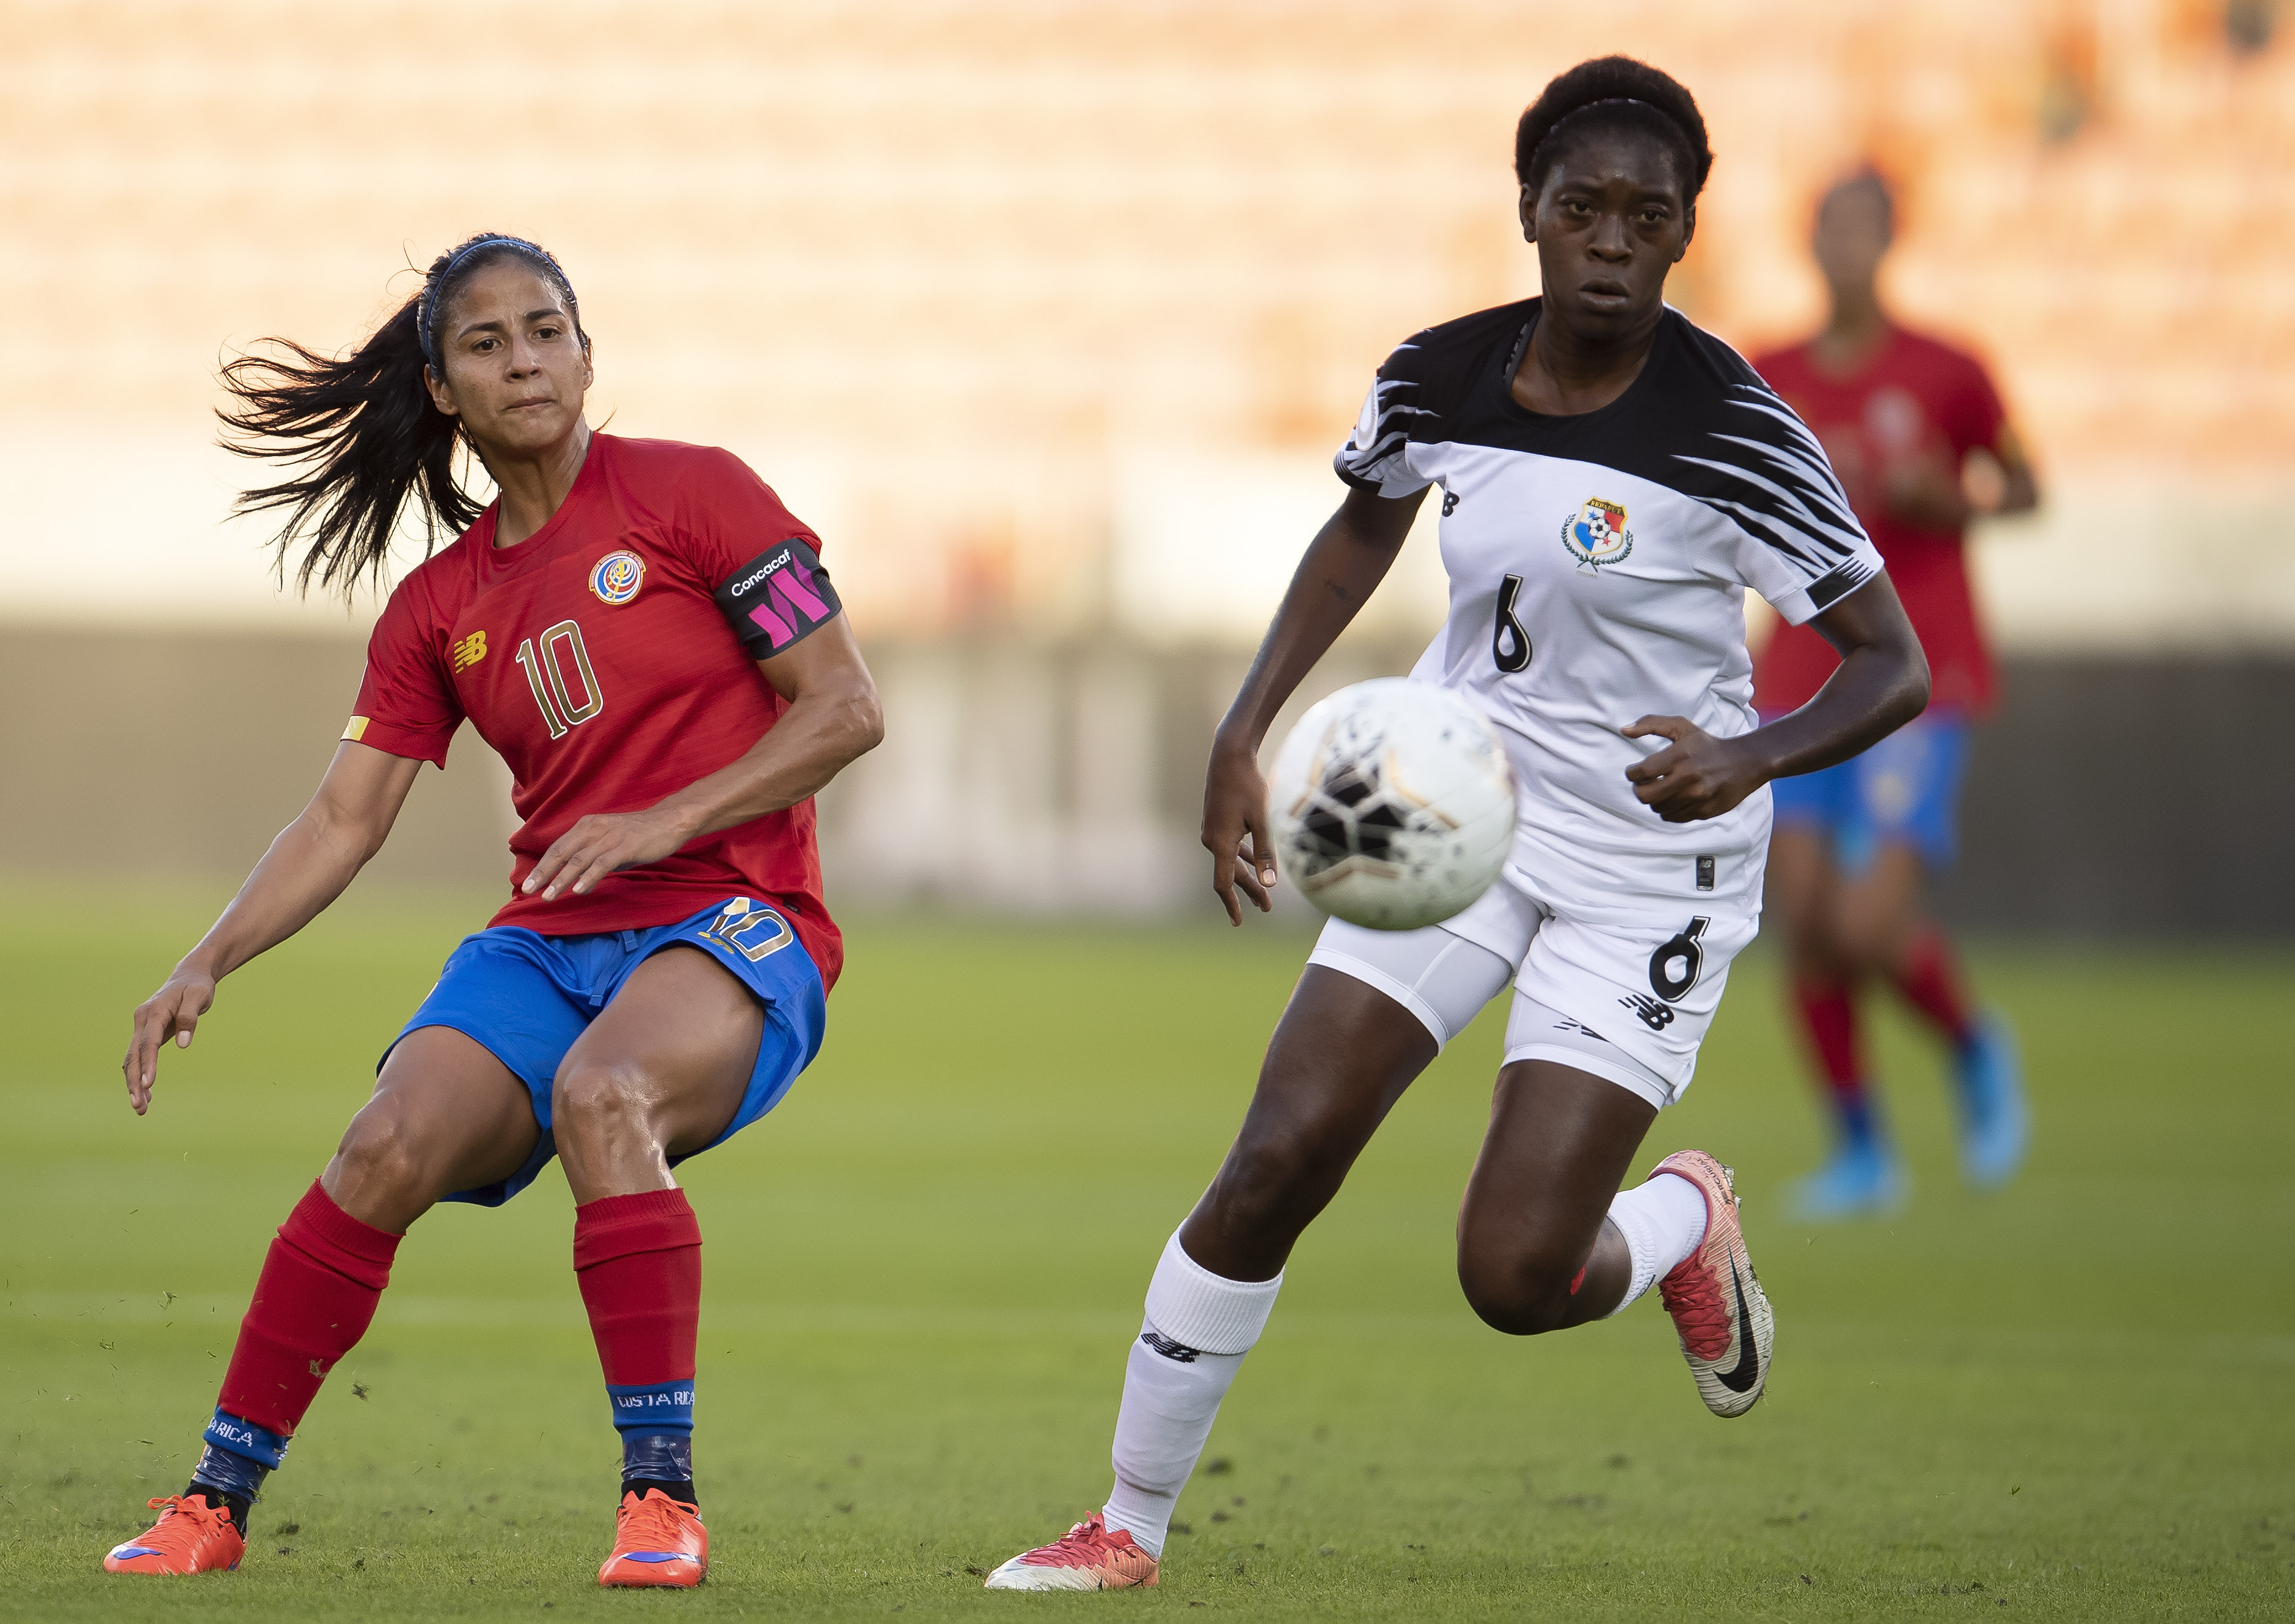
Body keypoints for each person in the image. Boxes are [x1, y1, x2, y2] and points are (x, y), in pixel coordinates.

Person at [986, 57, 1928, 1592]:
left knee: (1512, 1273)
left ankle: (1683, 1218)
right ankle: (1126, 1523)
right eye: (1582, 210)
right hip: (1457, 811)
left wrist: (1748, 755)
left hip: (1649, 861)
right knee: (1279, 1149)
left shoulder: (1737, 430)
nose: (1611, 240)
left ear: (1685, 234)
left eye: (1647, 214)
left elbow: (1893, 662)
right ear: (1529, 217)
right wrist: (1244, 725)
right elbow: (1366, 515)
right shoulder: (1436, 374)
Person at [100, 233, 882, 1587]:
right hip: (555, 934)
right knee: (383, 1143)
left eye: (547, 329)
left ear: (587, 353)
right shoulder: (436, 606)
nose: (525, 357)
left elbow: (846, 707)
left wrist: (663, 819)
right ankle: (213, 1500)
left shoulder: (698, 496)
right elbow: (345, 815)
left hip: (738, 916)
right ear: (444, 391)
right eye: (486, 341)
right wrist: (207, 956)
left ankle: (660, 1499)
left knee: (604, 1092)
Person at [1751, 172, 2038, 1219]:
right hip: (1796, 665)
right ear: (1810, 240)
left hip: (1922, 664)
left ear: (1893, 242)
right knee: (1805, 918)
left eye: (1865, 231)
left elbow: (2027, 486)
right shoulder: (1765, 373)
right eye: (1832, 229)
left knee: (1868, 922)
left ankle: (1970, 1043)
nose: (1847, 250)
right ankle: (1864, 1152)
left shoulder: (1950, 371)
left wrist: (1951, 498)